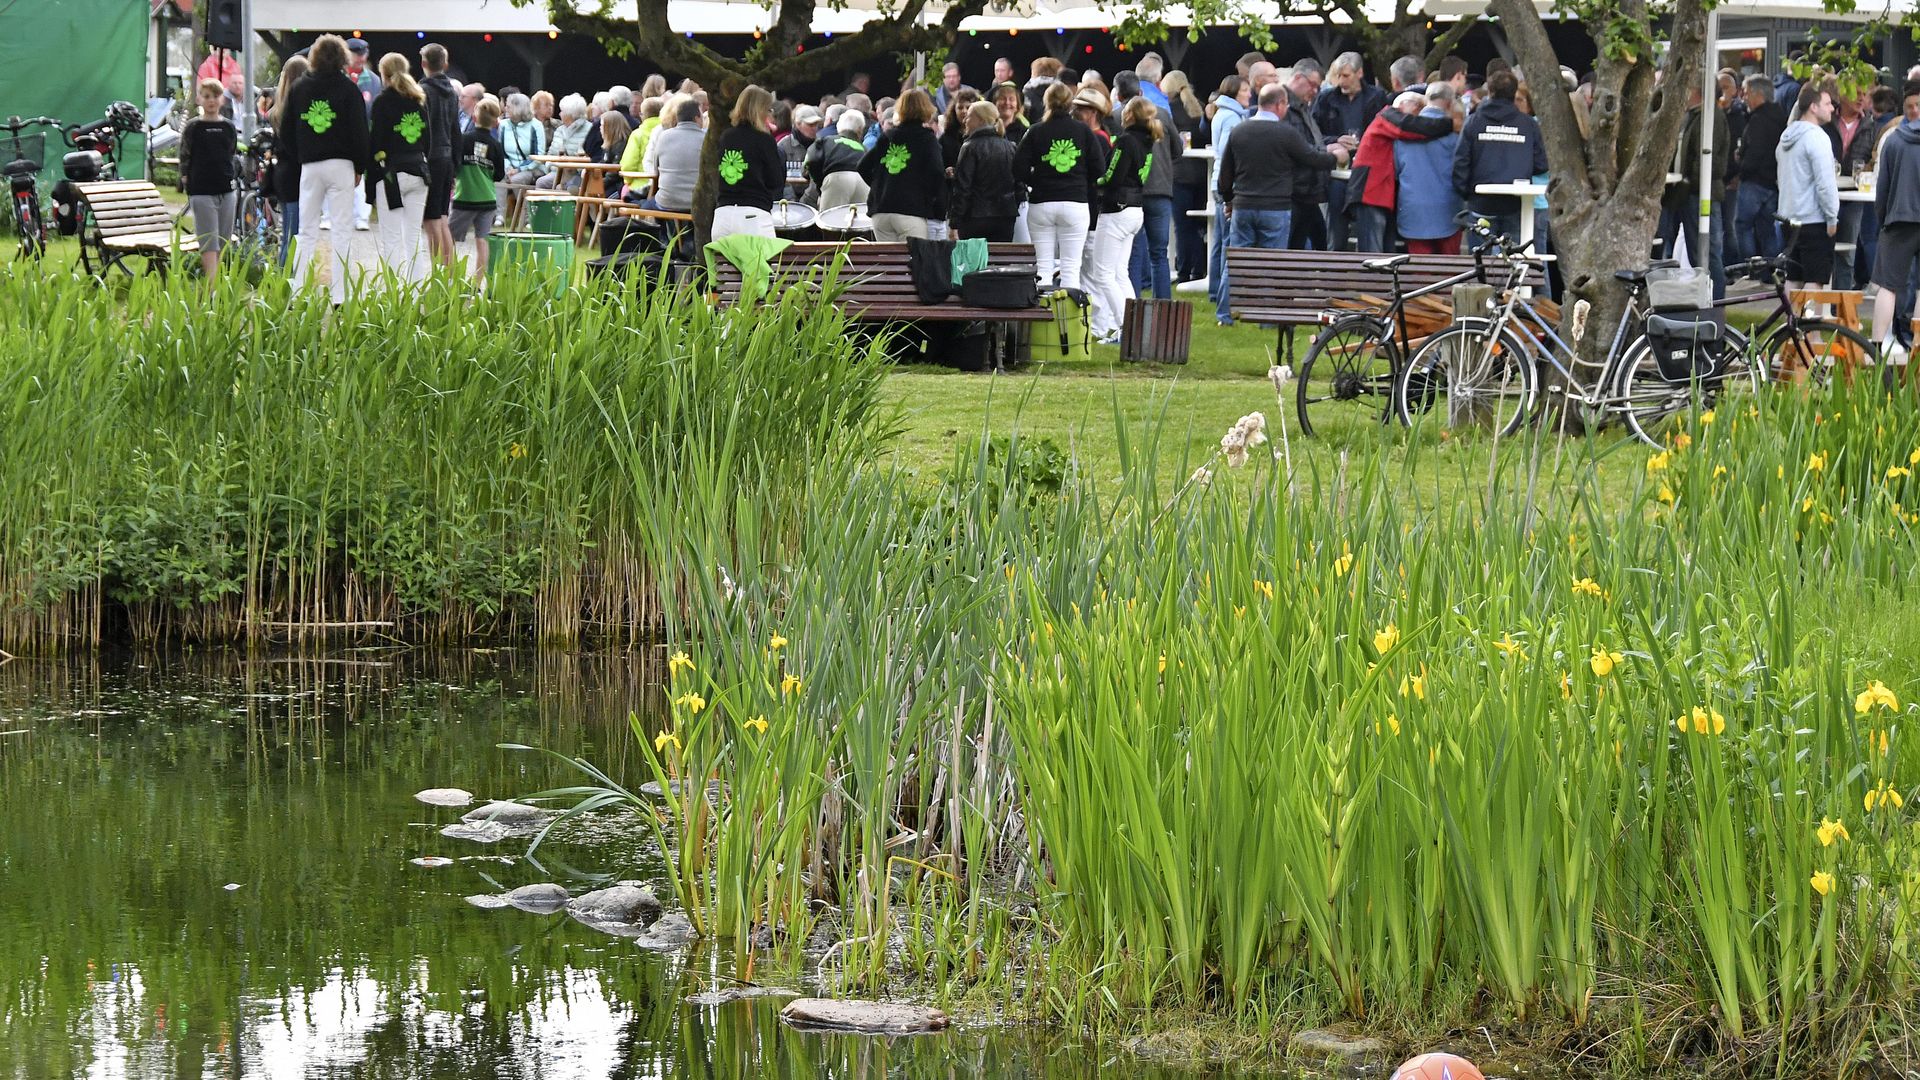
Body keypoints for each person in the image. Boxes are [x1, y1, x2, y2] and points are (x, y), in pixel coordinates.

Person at [284, 35, 372, 305]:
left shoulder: (299, 88)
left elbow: (287, 129)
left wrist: (301, 155)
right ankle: (340, 295)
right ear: (343, 57)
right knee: (341, 229)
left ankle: (298, 291)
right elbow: (359, 132)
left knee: (306, 229)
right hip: (342, 165)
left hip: (310, 165)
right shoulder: (349, 89)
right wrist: (360, 166)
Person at [1218, 83, 1346, 266]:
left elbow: (1225, 175)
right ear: (1280, 104)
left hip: (1243, 205)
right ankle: (1267, 296)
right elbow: (1311, 158)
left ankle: (1229, 296)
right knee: (1271, 265)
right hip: (1275, 207)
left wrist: (1229, 200)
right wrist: (1335, 157)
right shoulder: (1286, 133)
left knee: (1236, 263)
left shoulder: (1239, 131)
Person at [1015, 81, 1105, 291]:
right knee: (1071, 268)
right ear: (1070, 104)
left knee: (1043, 268)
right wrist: (1080, 181)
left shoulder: (1035, 131)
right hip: (1075, 202)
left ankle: (1042, 319)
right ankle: (1067, 320)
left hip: (1042, 202)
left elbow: (1018, 168)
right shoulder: (1083, 131)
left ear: (1047, 102)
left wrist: (1035, 181)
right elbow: (1099, 169)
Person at [1088, 96, 1157, 343]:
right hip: (1135, 209)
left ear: (1129, 115)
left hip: (1117, 209)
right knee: (1119, 273)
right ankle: (1137, 328)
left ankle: (1127, 328)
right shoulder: (1149, 140)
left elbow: (1112, 175)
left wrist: (1090, 181)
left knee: (1102, 274)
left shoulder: (1126, 140)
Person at [1451, 69, 1546, 250]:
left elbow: (1460, 163)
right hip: (1516, 203)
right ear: (1513, 93)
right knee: (1515, 262)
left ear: (1490, 92)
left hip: (1481, 203)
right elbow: (1541, 165)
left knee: (1482, 266)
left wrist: (1468, 193)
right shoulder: (1528, 125)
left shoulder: (1473, 122)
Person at [1347, 91, 1452, 253]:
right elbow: (1411, 127)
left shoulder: (1385, 119)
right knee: (1372, 251)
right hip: (1370, 192)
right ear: (1405, 104)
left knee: (1385, 250)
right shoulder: (1388, 116)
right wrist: (1449, 125)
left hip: (1378, 192)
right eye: (1418, 108)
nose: (1419, 114)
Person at [1111, 73, 1181, 300]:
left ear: (1118, 95)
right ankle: (1163, 304)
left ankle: (1132, 304)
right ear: (1141, 93)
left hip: (1131, 193)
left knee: (1133, 252)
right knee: (1159, 253)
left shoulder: (1115, 118)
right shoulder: (1161, 115)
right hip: (1160, 189)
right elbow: (1177, 151)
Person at [1658, 84, 1729, 297]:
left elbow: (1711, 160)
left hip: (1699, 192)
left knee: (1707, 253)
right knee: (1692, 250)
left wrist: (1690, 178)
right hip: (1684, 191)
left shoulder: (1710, 117)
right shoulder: (1692, 115)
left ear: (1695, 90)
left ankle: (1715, 302)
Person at [366, 52, 431, 283]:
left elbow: (376, 142)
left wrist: (371, 175)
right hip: (419, 171)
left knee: (391, 238)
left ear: (383, 74)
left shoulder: (382, 102)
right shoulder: (418, 100)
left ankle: (393, 291)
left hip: (392, 175)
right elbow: (427, 141)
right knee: (414, 237)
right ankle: (416, 291)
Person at [1314, 52, 1387, 250]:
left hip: (1367, 172)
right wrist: (1335, 141)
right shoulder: (1326, 98)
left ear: (1359, 73)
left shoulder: (1376, 97)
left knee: (1368, 231)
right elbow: (1314, 133)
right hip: (1337, 172)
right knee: (1336, 230)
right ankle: (1334, 274)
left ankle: (1367, 276)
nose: (1341, 81)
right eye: (1338, 76)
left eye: (1346, 75)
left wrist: (1365, 143)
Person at [1870, 80, 1920, 364]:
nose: (1913, 111)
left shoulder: (1894, 140)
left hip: (1899, 219)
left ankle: (1877, 345)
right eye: (1910, 107)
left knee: (1887, 286)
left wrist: (1883, 220)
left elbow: (1883, 189)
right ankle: (1918, 347)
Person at [860, 88, 947, 241]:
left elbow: (862, 166)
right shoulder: (927, 139)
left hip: (881, 211)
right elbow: (937, 173)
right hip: (911, 210)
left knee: (887, 262)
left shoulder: (887, 136)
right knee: (914, 261)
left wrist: (879, 185)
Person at [1777, 83, 1841, 292]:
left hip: (1788, 217)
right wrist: (1832, 217)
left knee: (1793, 277)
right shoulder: (1817, 137)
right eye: (1827, 103)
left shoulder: (1786, 137)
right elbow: (1825, 183)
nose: (1832, 108)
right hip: (1814, 220)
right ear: (1813, 107)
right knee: (1816, 278)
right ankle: (1808, 325)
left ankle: (1791, 322)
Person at [179, 79, 239, 283]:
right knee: (209, 241)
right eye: (206, 96)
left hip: (226, 189)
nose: (211, 101)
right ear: (199, 99)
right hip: (202, 191)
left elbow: (230, 153)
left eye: (215, 96)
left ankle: (219, 281)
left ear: (221, 99)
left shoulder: (228, 127)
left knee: (223, 240)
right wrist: (187, 181)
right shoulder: (193, 127)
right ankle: (212, 287)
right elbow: (185, 156)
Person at [1394, 83, 1465, 254]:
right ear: (1449, 104)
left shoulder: (1403, 135)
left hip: (1413, 212)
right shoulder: (1455, 136)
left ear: (1426, 100)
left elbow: (1396, 170)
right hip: (1448, 212)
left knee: (1420, 273)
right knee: (1450, 275)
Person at [1206, 74, 1253, 321]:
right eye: (1245, 90)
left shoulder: (1221, 113)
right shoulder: (1233, 118)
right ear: (1235, 91)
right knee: (1228, 245)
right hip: (1228, 185)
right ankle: (1224, 307)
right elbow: (1229, 153)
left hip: (1218, 182)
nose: (1249, 94)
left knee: (1221, 242)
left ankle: (1216, 292)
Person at [712, 85, 785, 240]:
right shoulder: (764, 140)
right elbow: (776, 180)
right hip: (753, 216)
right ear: (761, 110)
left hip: (722, 214)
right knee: (765, 263)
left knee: (723, 265)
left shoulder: (726, 136)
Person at [450, 95, 506, 280]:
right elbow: (499, 175)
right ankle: (477, 282)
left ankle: (449, 276)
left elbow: (455, 166)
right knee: (482, 240)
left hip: (465, 197)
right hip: (487, 200)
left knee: (449, 237)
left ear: (474, 117)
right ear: (496, 121)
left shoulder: (464, 140)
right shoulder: (496, 145)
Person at [1734, 73, 1788, 262]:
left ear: (1758, 94)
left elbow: (1755, 153)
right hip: (1773, 183)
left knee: (1742, 225)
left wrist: (1740, 166)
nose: (1743, 97)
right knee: (1767, 230)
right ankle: (1771, 269)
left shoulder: (1758, 120)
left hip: (1754, 181)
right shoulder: (1781, 118)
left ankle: (1751, 267)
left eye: (1747, 92)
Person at [1825, 85, 1874, 290]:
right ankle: (1819, 305)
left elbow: (1873, 156)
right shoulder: (1827, 121)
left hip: (1854, 196)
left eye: (1865, 94)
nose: (1861, 99)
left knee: (1847, 253)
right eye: (1857, 93)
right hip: (1827, 192)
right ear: (1842, 95)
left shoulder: (1871, 125)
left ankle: (1841, 304)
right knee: (1824, 250)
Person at [951, 101, 1021, 242]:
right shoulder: (1010, 147)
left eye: (969, 116)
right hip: (1005, 215)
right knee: (1000, 261)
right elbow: (1018, 184)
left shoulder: (970, 147)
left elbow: (963, 188)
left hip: (975, 216)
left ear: (981, 120)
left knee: (974, 261)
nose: (965, 120)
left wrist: (954, 222)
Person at [1281, 62, 1333, 250]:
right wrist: (1329, 155)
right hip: (1295, 192)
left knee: (1318, 241)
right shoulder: (1284, 107)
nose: (1316, 91)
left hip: (1307, 192)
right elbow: (1297, 149)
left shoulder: (1302, 107)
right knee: (1296, 247)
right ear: (1297, 78)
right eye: (1313, 84)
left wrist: (1326, 147)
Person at [1164, 70, 1209, 281]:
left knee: (1182, 226)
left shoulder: (1168, 111)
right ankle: (1199, 269)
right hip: (1201, 175)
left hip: (1179, 174)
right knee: (1200, 226)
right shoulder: (1199, 106)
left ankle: (1183, 271)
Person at [419, 44, 460, 267]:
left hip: (431, 158)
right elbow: (456, 130)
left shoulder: (422, 91)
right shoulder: (453, 93)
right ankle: (451, 272)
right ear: (445, 63)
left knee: (431, 220)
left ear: (424, 64)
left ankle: (438, 274)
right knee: (443, 218)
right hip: (448, 158)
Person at [270, 55, 311, 267]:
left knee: (287, 231)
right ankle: (289, 276)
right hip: (296, 174)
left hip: (282, 173)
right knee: (295, 233)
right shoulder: (298, 109)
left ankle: (281, 273)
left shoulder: (277, 109)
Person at [644, 97, 704, 212]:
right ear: (696, 118)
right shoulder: (706, 140)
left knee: (646, 205)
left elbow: (655, 170)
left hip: (666, 201)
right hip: (697, 202)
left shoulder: (663, 136)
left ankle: (663, 231)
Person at [497, 93, 547, 220]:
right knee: (497, 176)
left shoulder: (536, 125)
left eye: (508, 107)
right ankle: (499, 216)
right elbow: (501, 151)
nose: (505, 109)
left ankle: (527, 217)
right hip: (508, 166)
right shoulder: (503, 125)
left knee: (517, 179)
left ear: (518, 108)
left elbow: (538, 155)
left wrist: (518, 169)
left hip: (532, 167)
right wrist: (508, 168)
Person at [813, 110, 871, 209]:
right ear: (860, 130)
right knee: (859, 221)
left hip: (836, 177)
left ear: (838, 127)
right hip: (863, 181)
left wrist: (819, 182)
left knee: (831, 220)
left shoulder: (825, 141)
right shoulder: (864, 148)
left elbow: (810, 162)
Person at [536, 95, 592, 190]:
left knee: (560, 187)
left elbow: (591, 158)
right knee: (542, 182)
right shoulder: (559, 130)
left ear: (569, 114)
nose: (559, 114)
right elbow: (550, 155)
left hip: (579, 175)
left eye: (562, 111)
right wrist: (551, 166)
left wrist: (572, 167)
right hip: (557, 172)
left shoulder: (590, 130)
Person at [779, 104, 823, 199]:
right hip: (788, 200)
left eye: (816, 124)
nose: (814, 128)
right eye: (810, 124)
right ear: (798, 124)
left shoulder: (822, 145)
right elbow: (779, 177)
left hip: (814, 198)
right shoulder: (783, 146)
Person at [583, 85, 633, 162]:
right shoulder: (637, 123)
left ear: (611, 102)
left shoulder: (603, 121)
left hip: (601, 168)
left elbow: (588, 147)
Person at [940, 88, 982, 169]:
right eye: (960, 107)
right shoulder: (946, 138)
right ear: (954, 110)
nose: (964, 111)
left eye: (968, 107)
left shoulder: (983, 137)